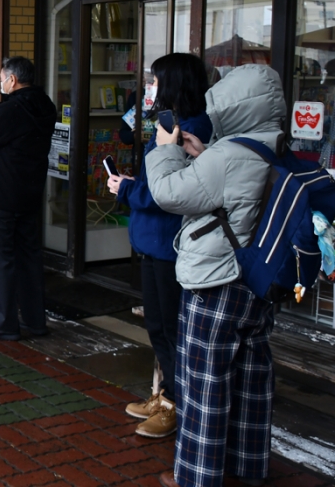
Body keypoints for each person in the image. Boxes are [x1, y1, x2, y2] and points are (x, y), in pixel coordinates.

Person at [147, 64, 285, 487]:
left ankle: (196, 476)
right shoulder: (273, 144)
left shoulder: (228, 155)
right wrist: (203, 153)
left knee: (204, 383)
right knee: (251, 381)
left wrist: (165, 150)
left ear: (234, 105)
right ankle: (247, 466)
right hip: (258, 281)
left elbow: (169, 193)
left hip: (216, 282)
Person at [107, 54, 213, 439]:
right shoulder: (168, 123)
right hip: (153, 240)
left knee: (170, 330)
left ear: (172, 83)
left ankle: (177, 407)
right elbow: (160, 181)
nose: (148, 88)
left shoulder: (192, 129)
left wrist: (129, 188)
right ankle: (166, 395)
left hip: (170, 243)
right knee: (158, 326)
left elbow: (168, 195)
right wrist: (136, 184)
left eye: (153, 81)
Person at [0, 56, 56, 341]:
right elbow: (12, 131)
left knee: (1, 258)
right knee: (29, 257)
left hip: (3, 193)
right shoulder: (44, 105)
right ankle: (34, 321)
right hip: (30, 193)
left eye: (3, 77)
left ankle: (4, 321)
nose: (1, 82)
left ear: (12, 80)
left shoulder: (13, 109)